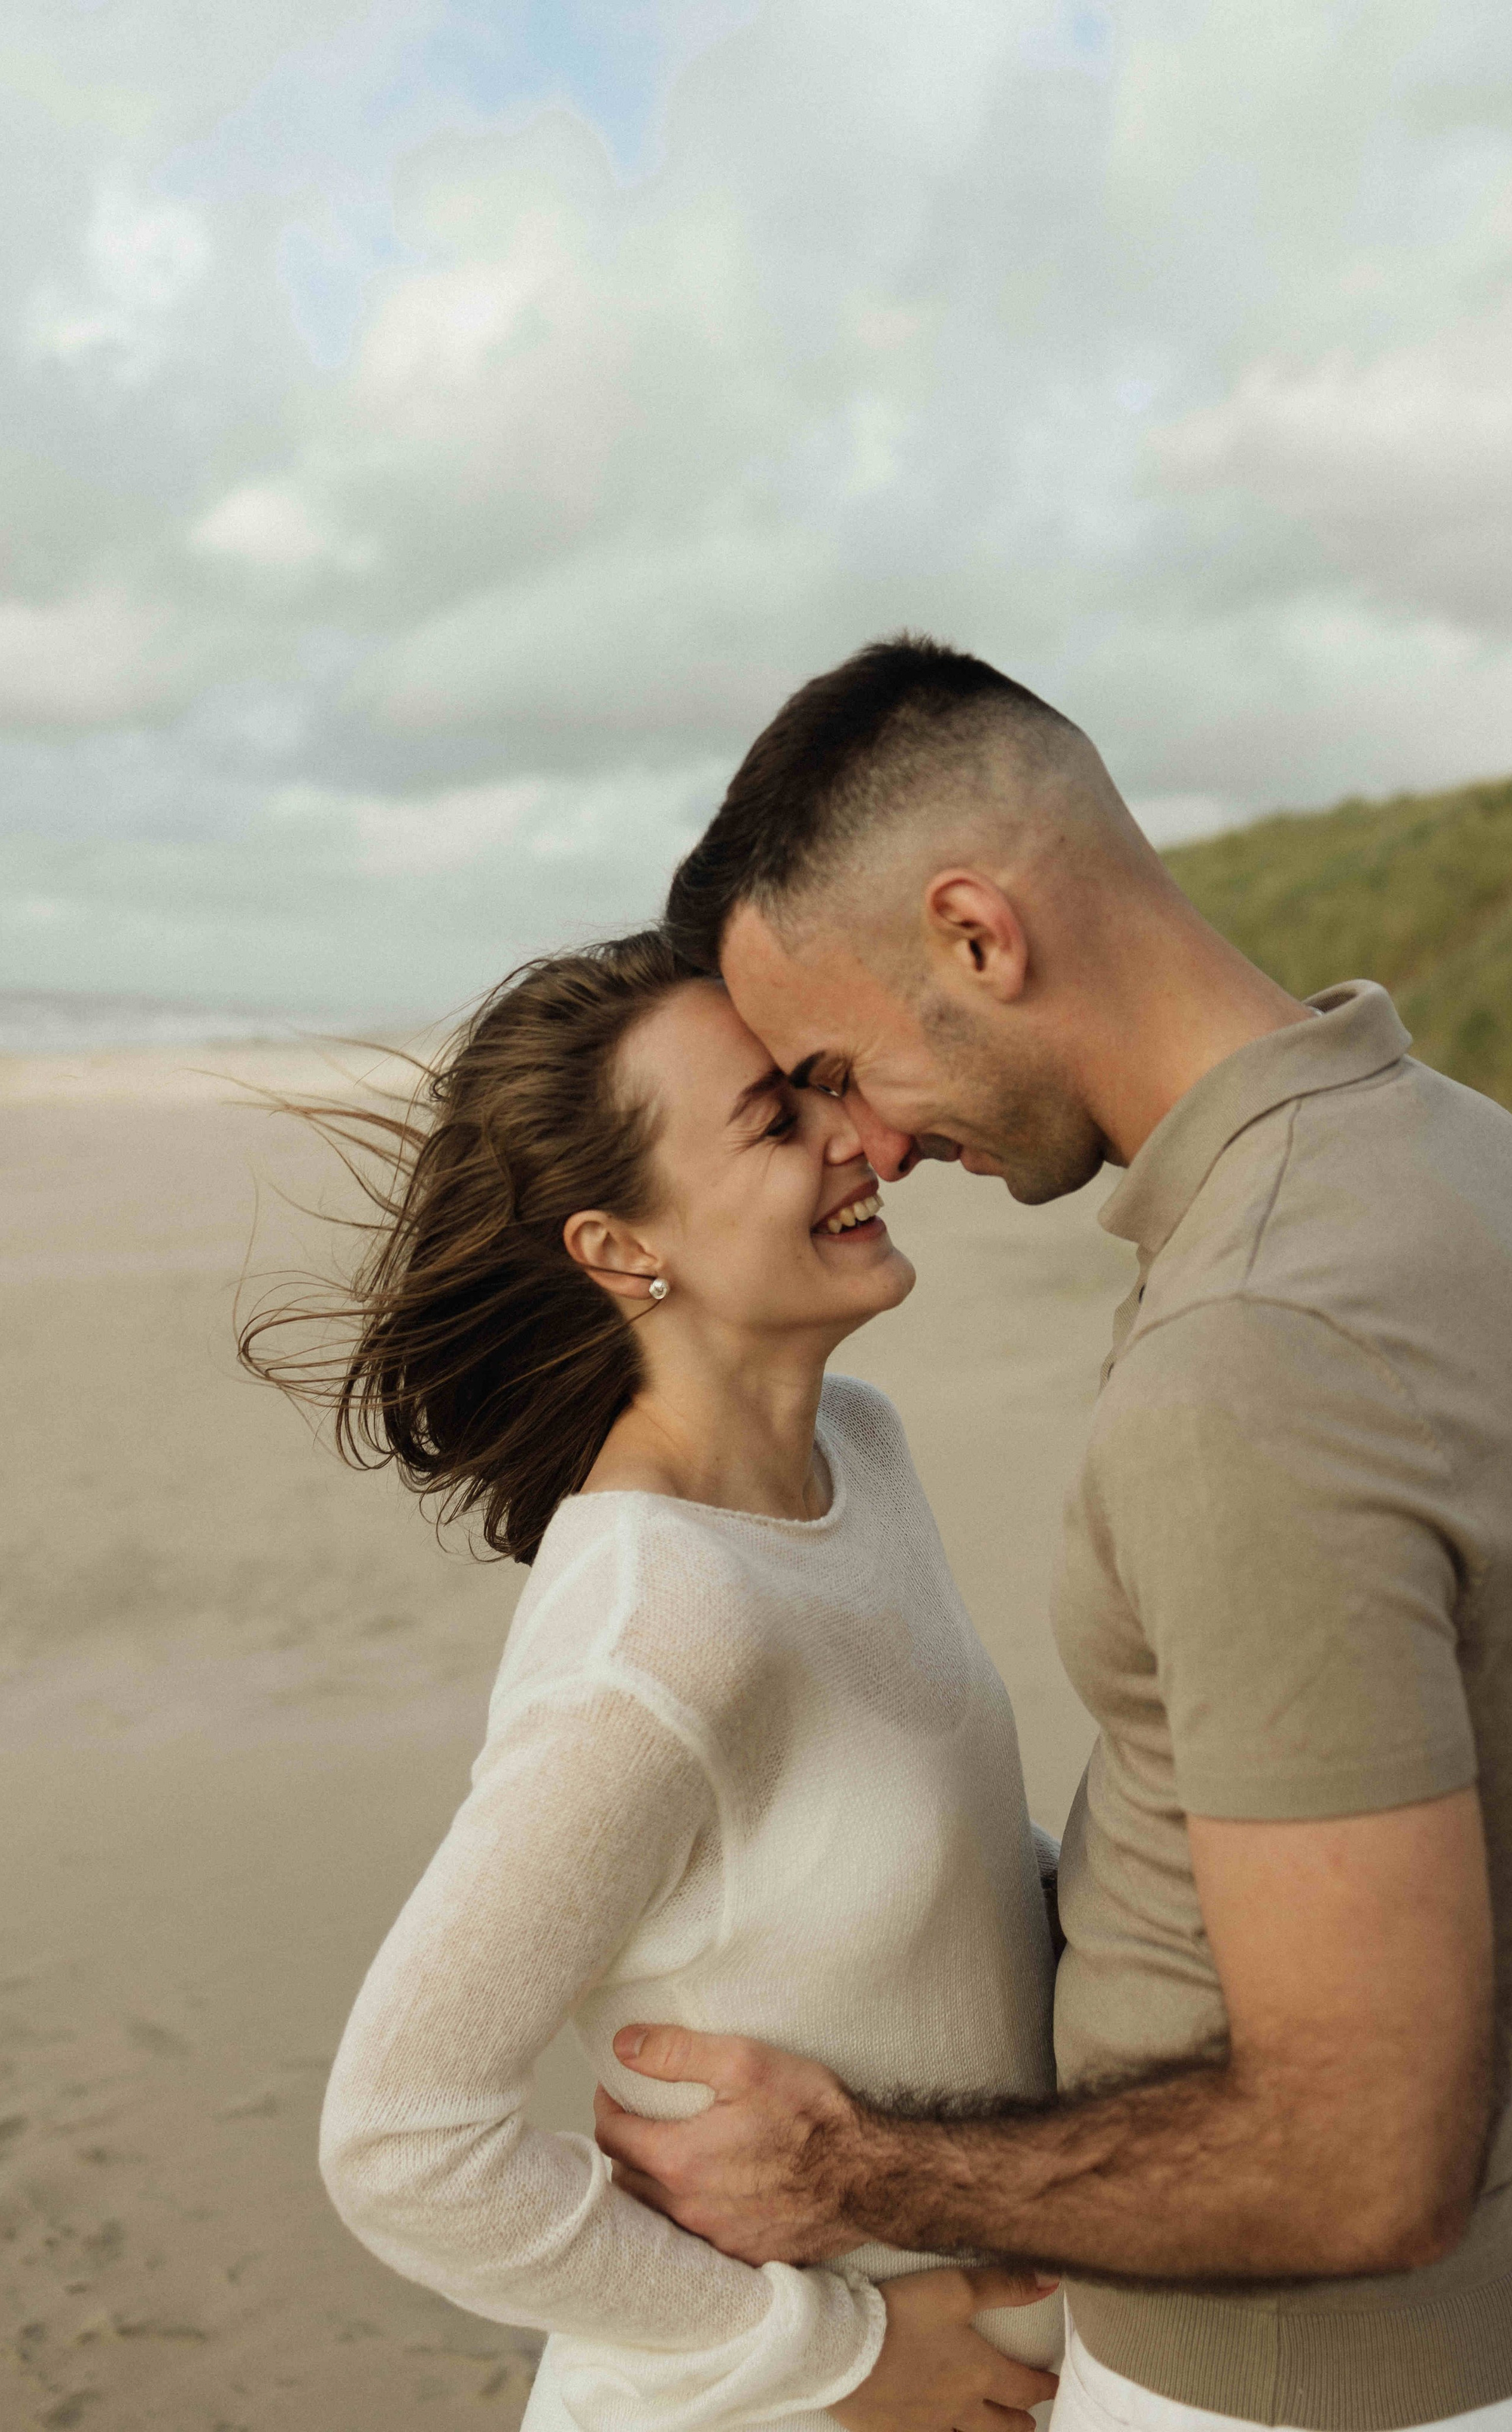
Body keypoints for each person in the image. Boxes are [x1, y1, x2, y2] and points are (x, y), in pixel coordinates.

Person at [592, 638, 1512, 2432]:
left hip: (1293, 2387)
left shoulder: (1261, 1351)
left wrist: (856, 2174)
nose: (866, 1140)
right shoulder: (1461, 1153)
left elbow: (1364, 2168)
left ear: (977, 935)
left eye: (836, 1063)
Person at [242, 929, 1069, 2432]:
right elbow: (402, 2144)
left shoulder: (859, 1455)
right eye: (775, 1119)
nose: (855, 1136)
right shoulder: (655, 1633)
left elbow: (930, 1871)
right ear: (620, 1247)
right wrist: (845, 2356)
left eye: (819, 1087)